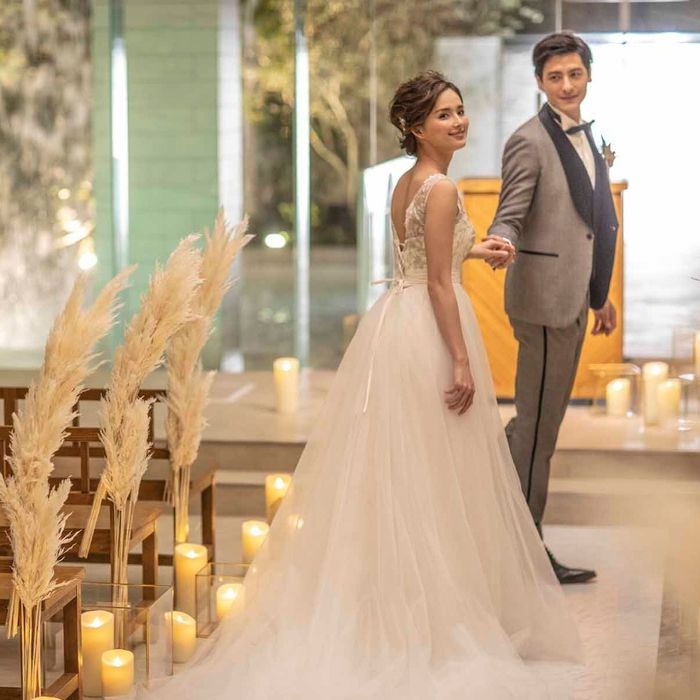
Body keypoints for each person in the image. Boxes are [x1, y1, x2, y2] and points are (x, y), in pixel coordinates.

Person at [142, 71, 582, 700]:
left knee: (410, 470)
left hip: (398, 324)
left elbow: (425, 259)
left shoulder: (408, 182)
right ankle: (431, 616)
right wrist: (461, 360)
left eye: (459, 110)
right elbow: (436, 282)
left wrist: (476, 250)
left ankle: (405, 600)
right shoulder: (440, 187)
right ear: (415, 127)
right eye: (443, 115)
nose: (458, 121)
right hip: (431, 330)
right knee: (437, 472)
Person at [488, 32, 618, 585]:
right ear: (539, 82)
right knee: (538, 430)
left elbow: (591, 222)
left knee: (540, 424)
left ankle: (498, 509)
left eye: (575, 74)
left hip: (571, 297)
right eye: (555, 77)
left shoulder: (590, 134)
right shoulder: (528, 140)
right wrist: (501, 239)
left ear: (588, 75)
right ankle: (523, 550)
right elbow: (511, 211)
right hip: (542, 303)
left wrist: (598, 294)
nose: (567, 85)